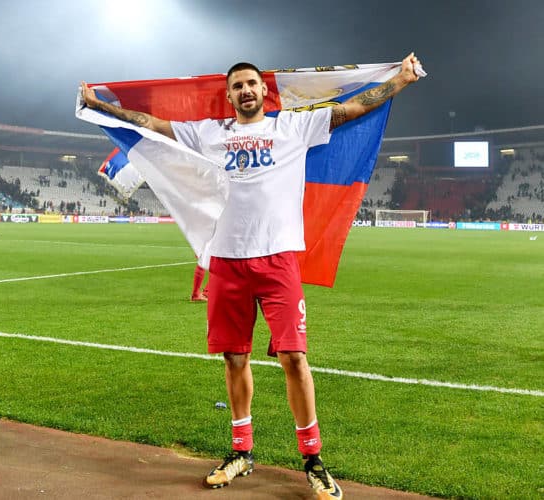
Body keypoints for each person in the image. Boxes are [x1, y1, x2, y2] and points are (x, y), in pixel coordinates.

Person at [81, 52, 423, 499]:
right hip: (227, 260)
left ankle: (313, 460)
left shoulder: (292, 127)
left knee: (294, 358)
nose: (245, 90)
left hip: (278, 260)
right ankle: (241, 451)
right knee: (234, 358)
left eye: (252, 84)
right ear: (229, 95)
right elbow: (151, 123)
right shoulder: (208, 134)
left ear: (264, 91)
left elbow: (352, 108)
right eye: (238, 86)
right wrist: (99, 105)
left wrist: (401, 80)